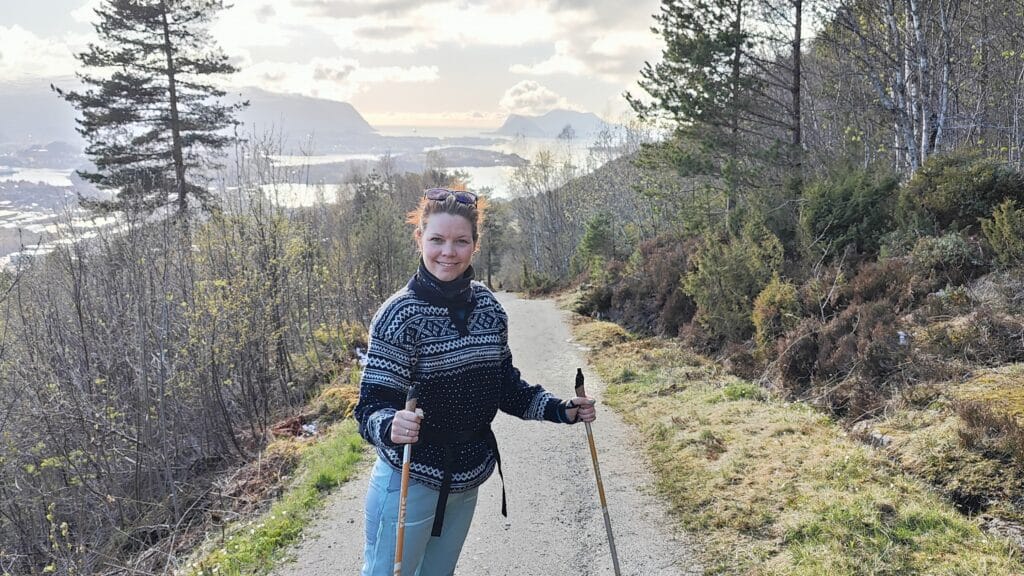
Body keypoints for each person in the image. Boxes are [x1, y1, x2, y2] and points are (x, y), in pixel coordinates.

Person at [354, 186, 597, 576]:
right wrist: (389, 423)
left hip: (466, 478)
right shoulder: (398, 315)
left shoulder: (488, 307)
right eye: (437, 240)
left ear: (474, 245)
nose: (447, 252)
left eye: (460, 241)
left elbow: (505, 387)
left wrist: (560, 409)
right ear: (420, 239)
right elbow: (369, 407)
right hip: (409, 481)